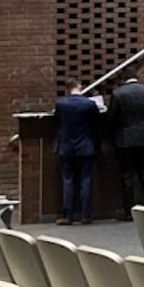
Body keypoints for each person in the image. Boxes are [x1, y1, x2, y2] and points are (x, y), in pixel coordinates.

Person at [107, 68, 144, 219]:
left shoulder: (118, 94)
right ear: (136, 76)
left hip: (124, 139)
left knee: (127, 175)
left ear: (123, 78)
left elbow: (111, 118)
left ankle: (129, 211)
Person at [53, 84, 102, 225]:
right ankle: (86, 215)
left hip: (66, 147)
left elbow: (56, 120)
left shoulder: (61, 104)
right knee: (85, 181)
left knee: (68, 181)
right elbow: (97, 122)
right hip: (86, 146)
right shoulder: (90, 104)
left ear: (68, 89)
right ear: (80, 88)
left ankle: (68, 216)